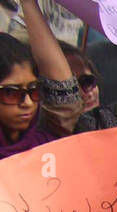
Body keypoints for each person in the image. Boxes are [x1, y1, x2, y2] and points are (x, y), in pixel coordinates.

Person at [0, 0, 80, 158]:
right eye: (11, 93)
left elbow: (65, 97)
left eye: (34, 91)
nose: (27, 103)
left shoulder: (47, 146)